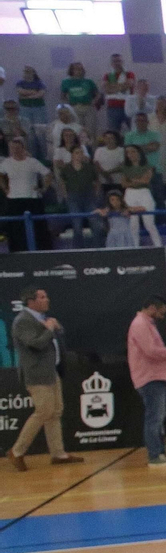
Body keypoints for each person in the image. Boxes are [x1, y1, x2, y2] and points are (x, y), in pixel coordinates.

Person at [8, 285, 80, 471]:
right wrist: (49, 329)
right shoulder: (22, 321)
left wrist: (55, 327)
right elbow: (36, 344)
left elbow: (55, 340)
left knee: (55, 412)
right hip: (36, 373)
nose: (47, 299)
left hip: (51, 371)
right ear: (31, 301)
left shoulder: (42, 318)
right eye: (42, 297)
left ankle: (58, 453)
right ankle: (17, 451)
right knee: (43, 411)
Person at [128, 296, 166, 468]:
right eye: (161, 312)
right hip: (149, 377)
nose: (162, 316)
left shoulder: (147, 323)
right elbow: (150, 351)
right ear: (151, 307)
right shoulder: (140, 324)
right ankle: (155, 455)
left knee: (158, 416)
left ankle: (161, 452)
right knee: (154, 417)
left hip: (155, 375)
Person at [1, 136, 54, 252]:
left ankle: (40, 251)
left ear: (23, 148)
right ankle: (17, 252)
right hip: (14, 200)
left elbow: (48, 174)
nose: (15, 150)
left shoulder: (32, 162)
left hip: (32, 199)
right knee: (15, 229)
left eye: (18, 148)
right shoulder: (7, 163)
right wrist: (5, 188)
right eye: (13, 148)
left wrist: (43, 188)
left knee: (37, 228)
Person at [120, 145, 162, 245]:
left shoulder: (148, 166)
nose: (130, 154)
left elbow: (146, 181)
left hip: (144, 193)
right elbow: (124, 184)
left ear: (139, 153)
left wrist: (132, 180)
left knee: (149, 224)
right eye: (128, 152)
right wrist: (137, 181)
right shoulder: (125, 167)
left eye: (133, 151)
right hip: (130, 193)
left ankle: (158, 247)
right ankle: (135, 247)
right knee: (133, 224)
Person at [60, 61, 99, 143]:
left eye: (81, 69)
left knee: (91, 131)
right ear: (72, 70)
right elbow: (62, 95)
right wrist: (69, 103)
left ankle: (92, 150)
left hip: (88, 107)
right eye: (77, 69)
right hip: (75, 107)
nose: (79, 71)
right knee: (77, 130)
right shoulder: (66, 82)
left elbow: (97, 94)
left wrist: (93, 102)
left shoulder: (89, 81)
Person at [101, 53, 135, 133]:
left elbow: (128, 85)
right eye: (115, 61)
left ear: (122, 62)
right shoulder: (107, 75)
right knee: (113, 133)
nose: (117, 63)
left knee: (134, 130)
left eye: (119, 61)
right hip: (113, 107)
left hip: (129, 106)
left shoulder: (129, 74)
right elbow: (106, 89)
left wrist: (112, 87)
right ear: (111, 63)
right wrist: (121, 87)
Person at [124, 111, 161, 180]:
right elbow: (129, 152)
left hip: (154, 170)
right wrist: (147, 146)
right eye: (138, 120)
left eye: (143, 120)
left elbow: (154, 147)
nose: (141, 122)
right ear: (135, 122)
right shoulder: (129, 136)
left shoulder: (155, 134)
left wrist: (136, 148)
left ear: (147, 122)